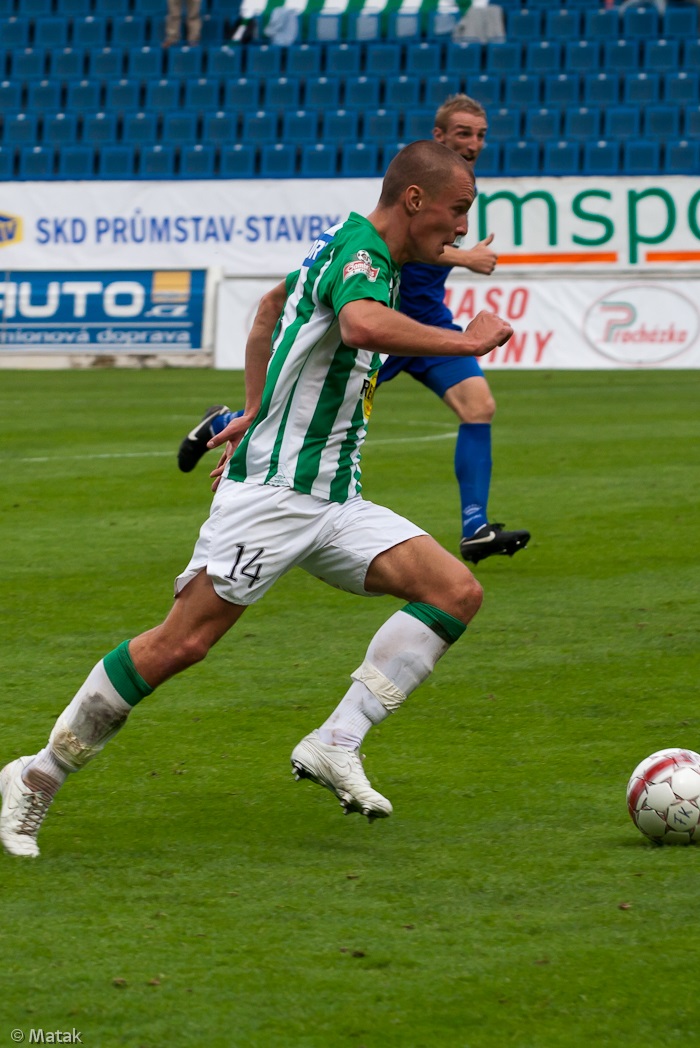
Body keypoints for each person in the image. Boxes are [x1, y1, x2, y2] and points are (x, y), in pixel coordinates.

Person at [0, 141, 512, 859]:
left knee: (454, 591)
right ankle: (35, 774)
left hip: (333, 495)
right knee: (183, 641)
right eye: (457, 212)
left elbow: (271, 308)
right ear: (415, 201)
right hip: (272, 496)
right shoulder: (363, 259)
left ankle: (338, 740)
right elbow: (362, 325)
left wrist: (252, 410)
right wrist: (467, 338)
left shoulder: (355, 247)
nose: (460, 229)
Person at [178, 96, 530, 567]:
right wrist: (465, 262)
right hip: (387, 328)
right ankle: (226, 422)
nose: (474, 143)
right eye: (463, 133)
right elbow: (382, 283)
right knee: (305, 412)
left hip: (424, 325)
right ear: (438, 138)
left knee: (479, 406)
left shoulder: (444, 194)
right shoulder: (399, 214)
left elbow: (274, 305)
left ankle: (474, 527)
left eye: (481, 134)